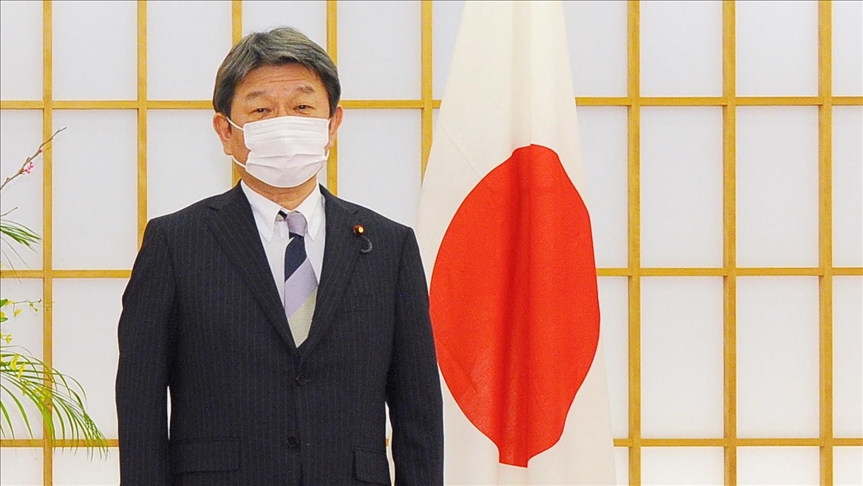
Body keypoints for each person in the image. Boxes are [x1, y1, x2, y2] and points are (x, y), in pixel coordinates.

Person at [116, 27, 443, 485]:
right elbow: (141, 406)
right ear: (225, 132)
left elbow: (419, 412)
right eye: (261, 110)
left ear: (333, 124)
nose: (283, 123)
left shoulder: (390, 246)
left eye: (303, 107)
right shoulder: (175, 243)